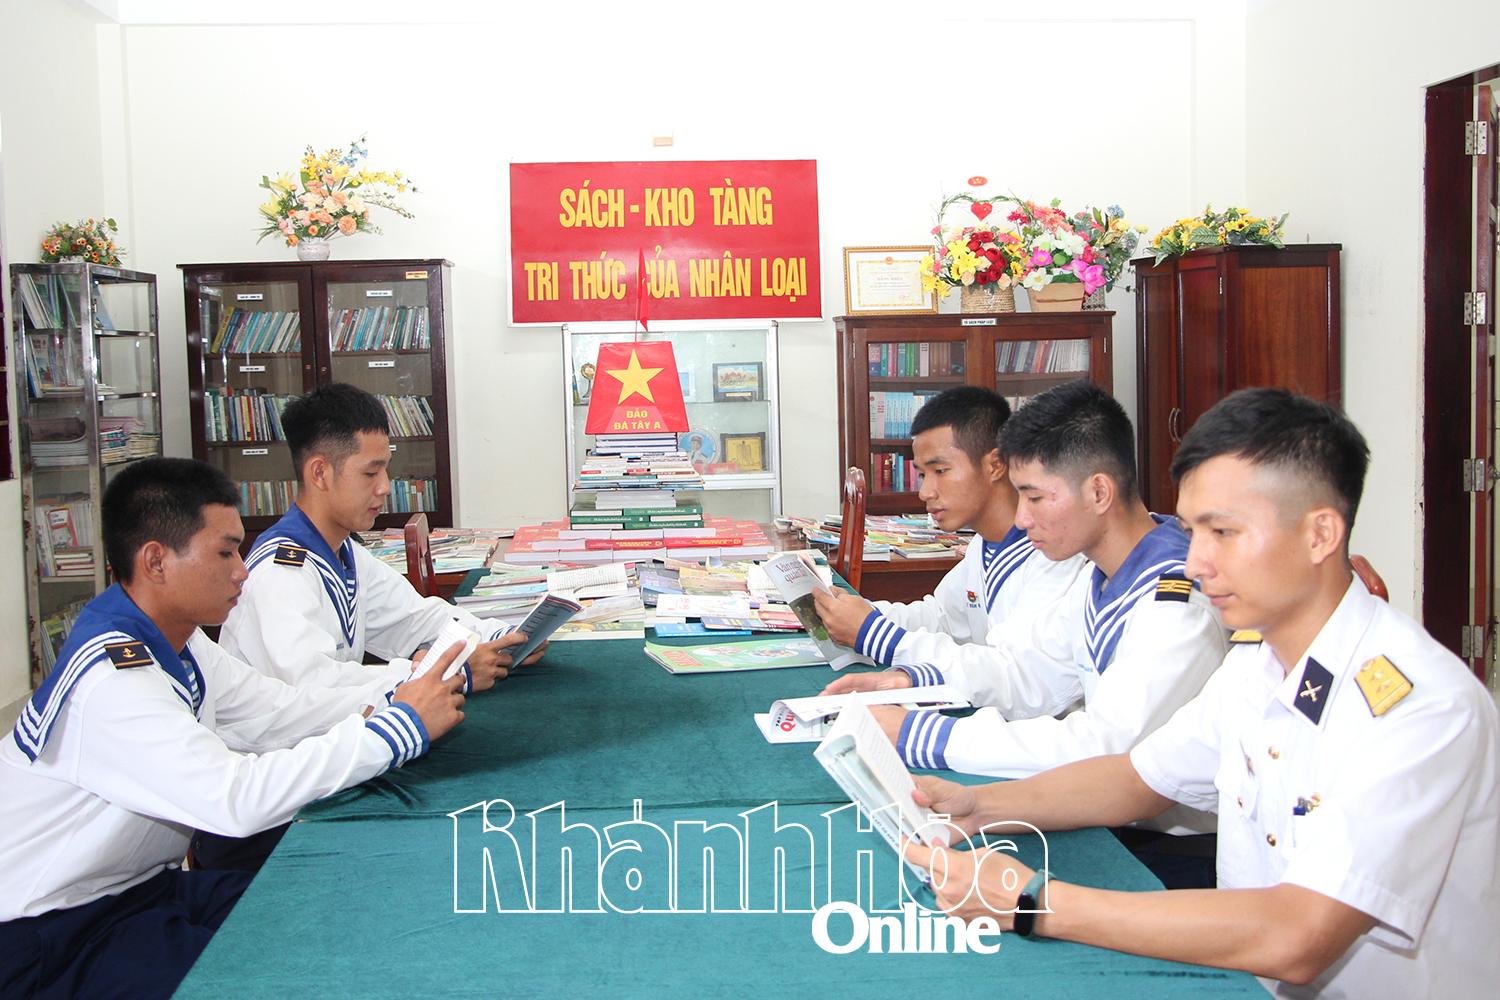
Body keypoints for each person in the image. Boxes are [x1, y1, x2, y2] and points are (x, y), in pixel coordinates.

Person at [902, 389, 1500, 997]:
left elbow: (1299, 935)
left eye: (1224, 532)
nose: (1195, 563)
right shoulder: (1257, 665)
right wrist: (981, 808)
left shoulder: (1419, 708)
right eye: (1192, 531)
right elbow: (1138, 777)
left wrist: (1033, 901)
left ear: (1320, 534)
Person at [0, 458, 467, 999]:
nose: (243, 571)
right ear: (156, 561)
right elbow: (233, 799)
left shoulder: (176, 639)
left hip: (142, 890)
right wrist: (395, 730)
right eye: (225, 553)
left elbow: (275, 710)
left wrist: (399, 697)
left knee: (336, 904)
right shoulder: (112, 679)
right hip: (53, 936)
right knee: (284, 977)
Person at [220, 383, 544, 697]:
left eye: (385, 470)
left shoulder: (344, 552)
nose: (385, 487)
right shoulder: (279, 573)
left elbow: (417, 619)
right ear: (319, 473)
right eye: (370, 473)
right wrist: (447, 674)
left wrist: (503, 637)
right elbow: (314, 687)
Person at [812, 386, 1085, 696]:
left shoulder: (1054, 556)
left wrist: (874, 633)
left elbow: (1015, 675)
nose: (925, 492)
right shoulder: (984, 544)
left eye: (940, 471)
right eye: (922, 474)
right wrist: (862, 613)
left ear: (995, 465)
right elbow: (941, 618)